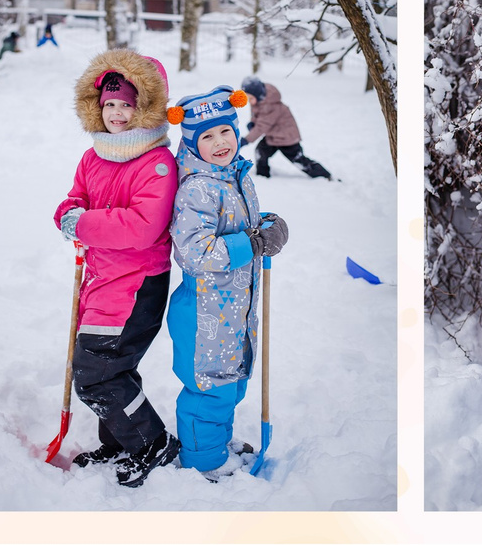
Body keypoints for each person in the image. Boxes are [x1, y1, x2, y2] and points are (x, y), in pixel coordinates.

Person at [53, 50, 179, 485]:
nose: (117, 113)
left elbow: (143, 228)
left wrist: (84, 223)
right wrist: (70, 215)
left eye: (127, 103)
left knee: (94, 374)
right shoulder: (94, 157)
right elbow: (73, 201)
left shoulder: (158, 163)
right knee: (110, 369)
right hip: (101, 281)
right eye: (109, 104)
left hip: (137, 285)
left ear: (145, 106)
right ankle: (121, 441)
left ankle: (151, 443)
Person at [166, 87, 287, 481]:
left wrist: (265, 225)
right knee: (209, 394)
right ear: (190, 142)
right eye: (207, 137)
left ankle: (217, 445)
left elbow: (235, 225)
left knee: (231, 387)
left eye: (225, 133)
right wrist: (251, 243)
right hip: (206, 317)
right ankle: (204, 463)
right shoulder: (197, 187)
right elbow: (193, 252)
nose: (219, 143)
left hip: (233, 311)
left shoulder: (233, 174)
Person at [239, 78, 331, 179]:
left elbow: (262, 126)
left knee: (299, 161)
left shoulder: (270, 105)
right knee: (260, 152)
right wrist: (253, 122)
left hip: (286, 138)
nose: (249, 101)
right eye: (247, 98)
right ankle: (262, 176)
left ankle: (325, 176)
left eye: (251, 98)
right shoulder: (258, 101)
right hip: (273, 136)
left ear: (258, 95)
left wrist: (246, 139)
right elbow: (257, 115)